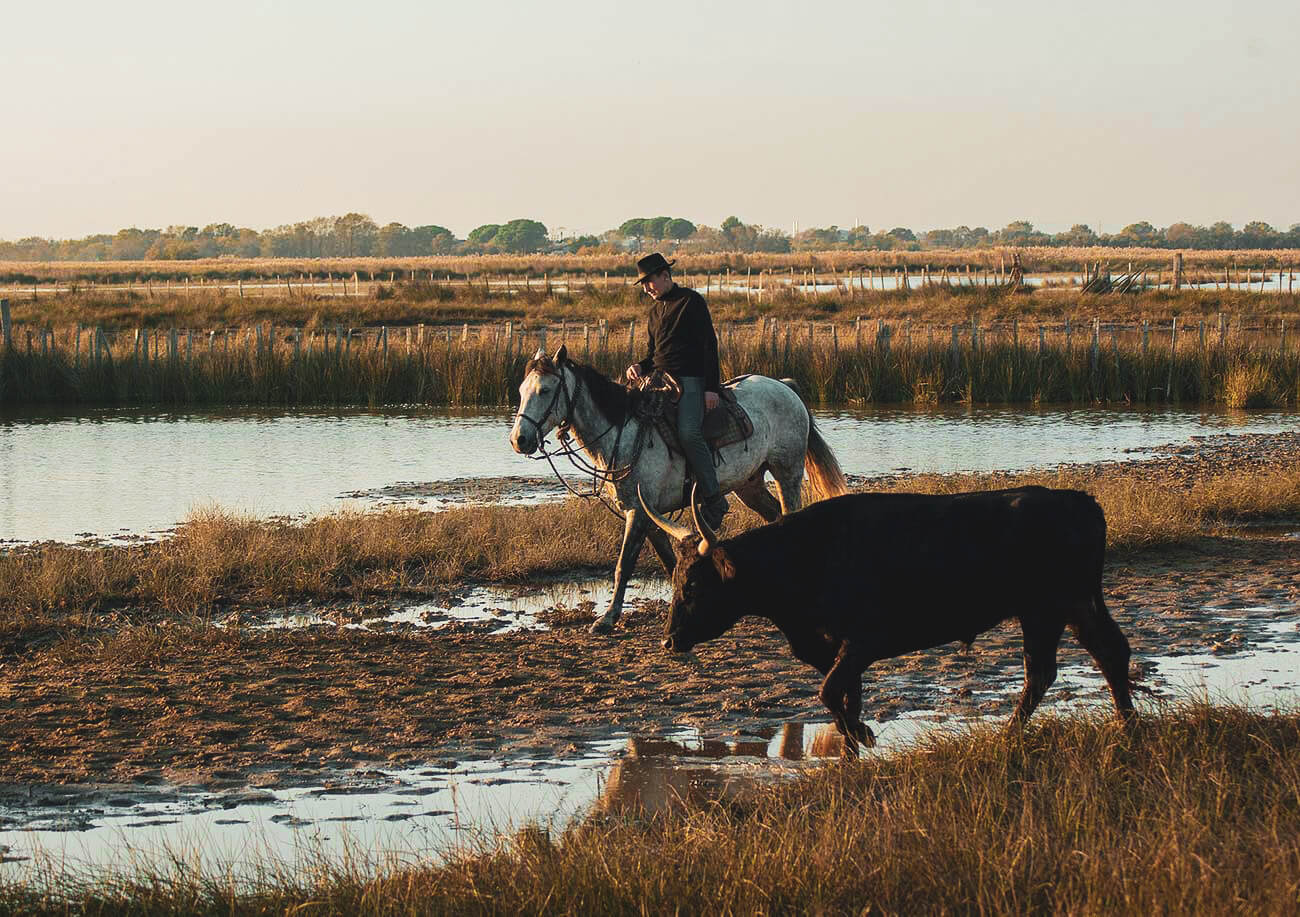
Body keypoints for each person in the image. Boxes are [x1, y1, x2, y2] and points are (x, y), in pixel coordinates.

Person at [625, 252, 729, 529]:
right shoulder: (654, 311)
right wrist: (639, 366)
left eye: (650, 281)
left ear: (665, 276)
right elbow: (653, 355)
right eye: (644, 283)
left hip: (691, 379)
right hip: (658, 379)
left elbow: (709, 347)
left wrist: (711, 389)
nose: (647, 288)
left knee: (689, 433)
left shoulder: (691, 302)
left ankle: (714, 497)